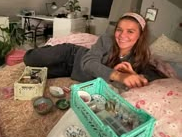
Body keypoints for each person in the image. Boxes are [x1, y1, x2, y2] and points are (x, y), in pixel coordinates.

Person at [24, 12, 167, 88]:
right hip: (72, 55)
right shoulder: (106, 39)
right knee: (29, 59)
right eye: (119, 30)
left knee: (33, 74)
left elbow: (157, 80)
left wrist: (137, 76)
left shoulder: (139, 57)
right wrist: (118, 75)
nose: (122, 36)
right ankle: (51, 47)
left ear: (140, 35)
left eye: (130, 31)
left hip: (71, 72)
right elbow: (89, 62)